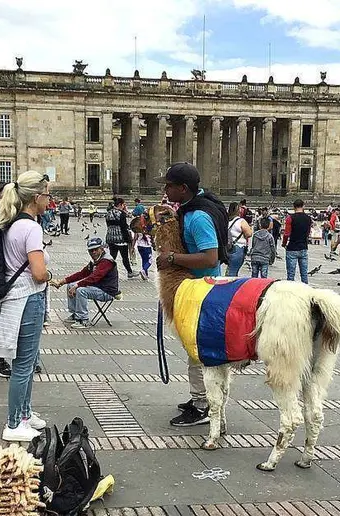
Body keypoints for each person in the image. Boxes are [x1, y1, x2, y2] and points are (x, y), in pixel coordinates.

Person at [0, 171, 51, 441]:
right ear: (35, 197)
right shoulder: (31, 228)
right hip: (27, 298)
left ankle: (25, 413)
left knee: (26, 362)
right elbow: (39, 272)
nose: (49, 199)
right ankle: (14, 423)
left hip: (14, 298)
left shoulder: (11, 223)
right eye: (46, 194)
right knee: (24, 364)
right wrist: (50, 276)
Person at [154, 162, 227, 427]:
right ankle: (201, 397)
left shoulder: (198, 217)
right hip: (195, 287)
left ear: (183, 189)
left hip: (202, 290)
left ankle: (202, 405)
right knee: (193, 349)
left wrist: (172, 257)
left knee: (197, 350)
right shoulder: (191, 209)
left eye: (169, 185)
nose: (165, 189)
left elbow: (210, 256)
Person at [52, 237, 119, 329]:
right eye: (91, 251)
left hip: (107, 291)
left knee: (81, 290)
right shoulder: (95, 261)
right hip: (98, 287)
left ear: (102, 249)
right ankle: (75, 314)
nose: (93, 252)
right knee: (70, 286)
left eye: (96, 249)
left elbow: (94, 277)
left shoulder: (106, 261)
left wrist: (77, 285)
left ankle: (83, 320)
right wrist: (63, 281)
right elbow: (82, 274)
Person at [105, 198, 138, 278]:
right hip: (120, 238)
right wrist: (128, 238)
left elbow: (108, 225)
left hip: (110, 237)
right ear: (120, 204)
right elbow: (123, 227)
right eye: (123, 204)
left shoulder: (108, 213)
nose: (124, 206)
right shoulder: (121, 214)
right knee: (125, 257)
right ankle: (130, 272)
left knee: (112, 256)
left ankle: (106, 271)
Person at [283, 198, 312, 283]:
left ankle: (291, 292)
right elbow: (308, 233)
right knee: (304, 274)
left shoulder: (290, 218)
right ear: (303, 206)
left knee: (291, 274)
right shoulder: (308, 218)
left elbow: (286, 234)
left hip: (292, 247)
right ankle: (306, 291)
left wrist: (284, 244)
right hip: (303, 247)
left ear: (294, 207)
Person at [225, 202, 253, 276]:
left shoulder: (226, 220)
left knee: (230, 269)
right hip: (238, 248)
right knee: (233, 271)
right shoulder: (241, 221)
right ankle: (230, 286)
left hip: (228, 247)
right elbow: (249, 234)